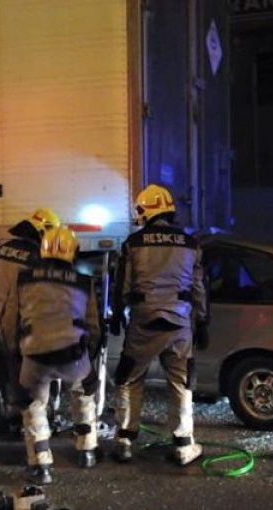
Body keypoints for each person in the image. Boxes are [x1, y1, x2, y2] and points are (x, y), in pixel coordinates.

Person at [110, 184, 208, 466]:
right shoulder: (191, 244)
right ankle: (183, 445)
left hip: (144, 321)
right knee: (181, 382)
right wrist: (203, 321)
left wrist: (118, 315)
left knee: (129, 377)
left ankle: (125, 441)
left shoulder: (134, 243)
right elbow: (199, 286)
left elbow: (123, 285)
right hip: (179, 324)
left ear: (147, 210)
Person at [15, 225, 102, 484]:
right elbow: (94, 325)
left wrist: (14, 349)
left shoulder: (24, 279)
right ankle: (86, 450)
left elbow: (11, 318)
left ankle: (41, 465)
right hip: (73, 356)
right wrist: (91, 358)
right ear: (72, 253)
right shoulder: (83, 282)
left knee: (33, 406)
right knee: (84, 396)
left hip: (34, 356)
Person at [0, 208, 60, 425]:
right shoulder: (37, 255)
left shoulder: (2, 249)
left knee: (12, 369)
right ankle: (35, 422)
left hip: (3, 322)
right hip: (28, 324)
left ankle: (15, 414)